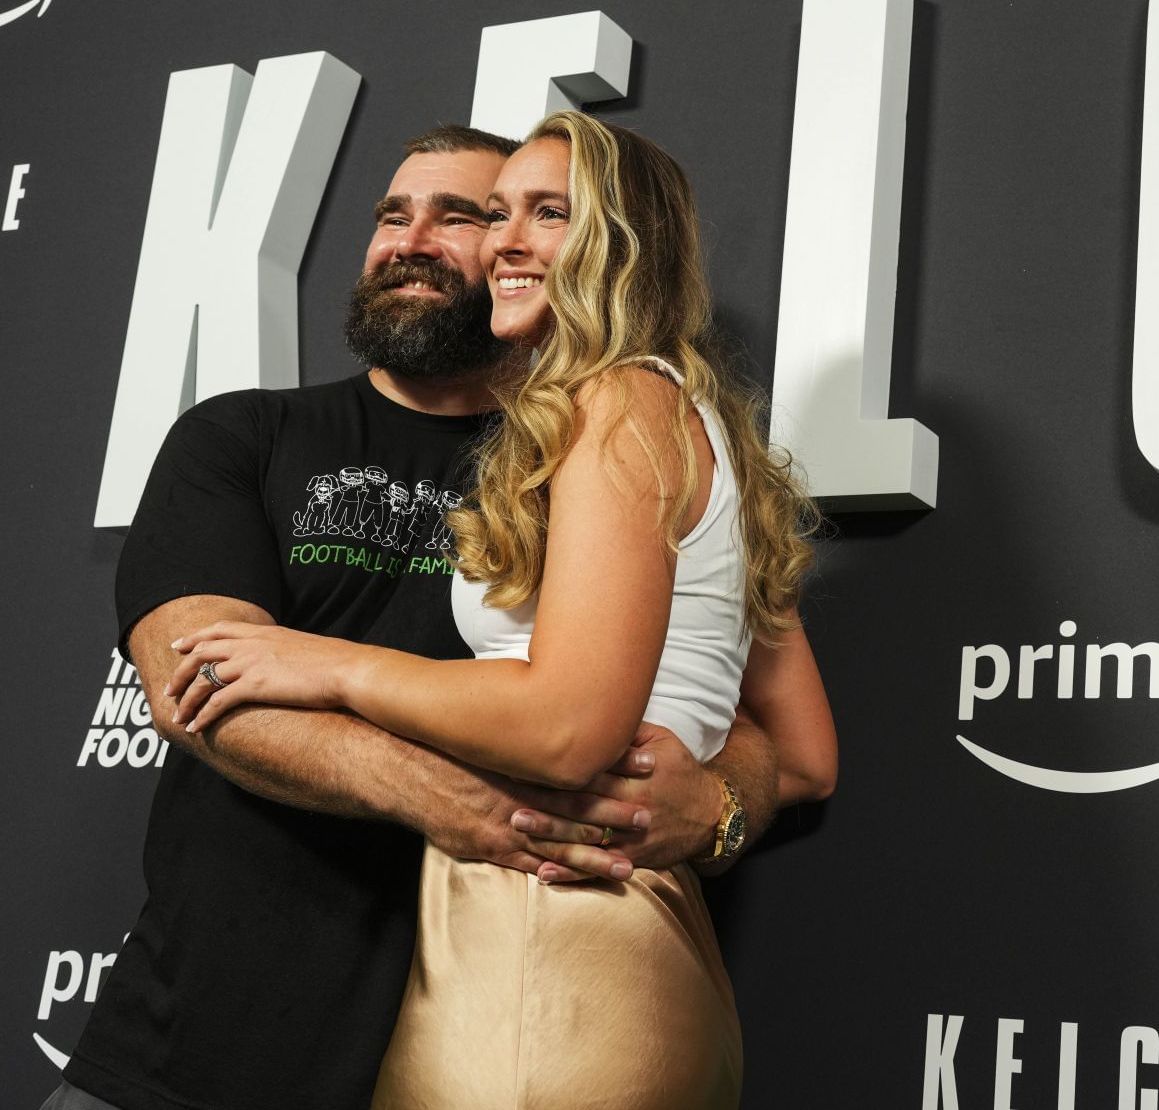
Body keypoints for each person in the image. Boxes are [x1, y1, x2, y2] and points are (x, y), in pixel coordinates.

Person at [50, 124, 831, 1110]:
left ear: (614, 238)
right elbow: (204, 676)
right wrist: (445, 796)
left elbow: (776, 743)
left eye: (468, 212)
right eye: (394, 214)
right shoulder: (245, 435)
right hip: (211, 1036)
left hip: (513, 980)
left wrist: (714, 806)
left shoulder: (603, 427)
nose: (418, 237)